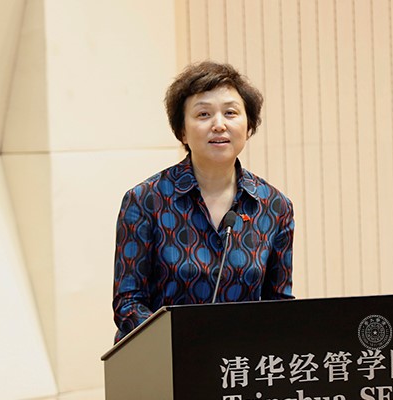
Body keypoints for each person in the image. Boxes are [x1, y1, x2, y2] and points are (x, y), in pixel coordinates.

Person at [112, 61, 295, 342]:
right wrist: (182, 342)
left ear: (248, 127)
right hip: (164, 357)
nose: (219, 125)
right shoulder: (146, 200)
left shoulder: (274, 206)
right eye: (203, 114)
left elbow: (278, 304)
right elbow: (128, 302)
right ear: (182, 132)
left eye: (230, 113)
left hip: (239, 359)